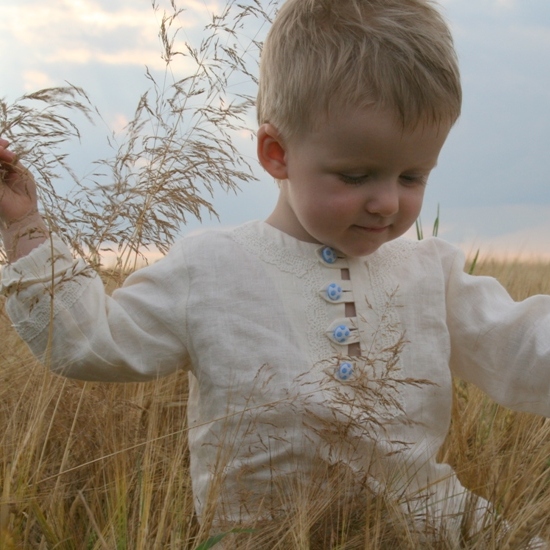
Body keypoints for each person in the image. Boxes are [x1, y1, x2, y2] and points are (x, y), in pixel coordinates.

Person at [1, 0, 549, 547]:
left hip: (433, 530)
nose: (386, 202)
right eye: (356, 175)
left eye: (413, 176)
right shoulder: (211, 270)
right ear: (276, 152)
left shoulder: (434, 274)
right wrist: (24, 225)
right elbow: (91, 342)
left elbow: (524, 350)